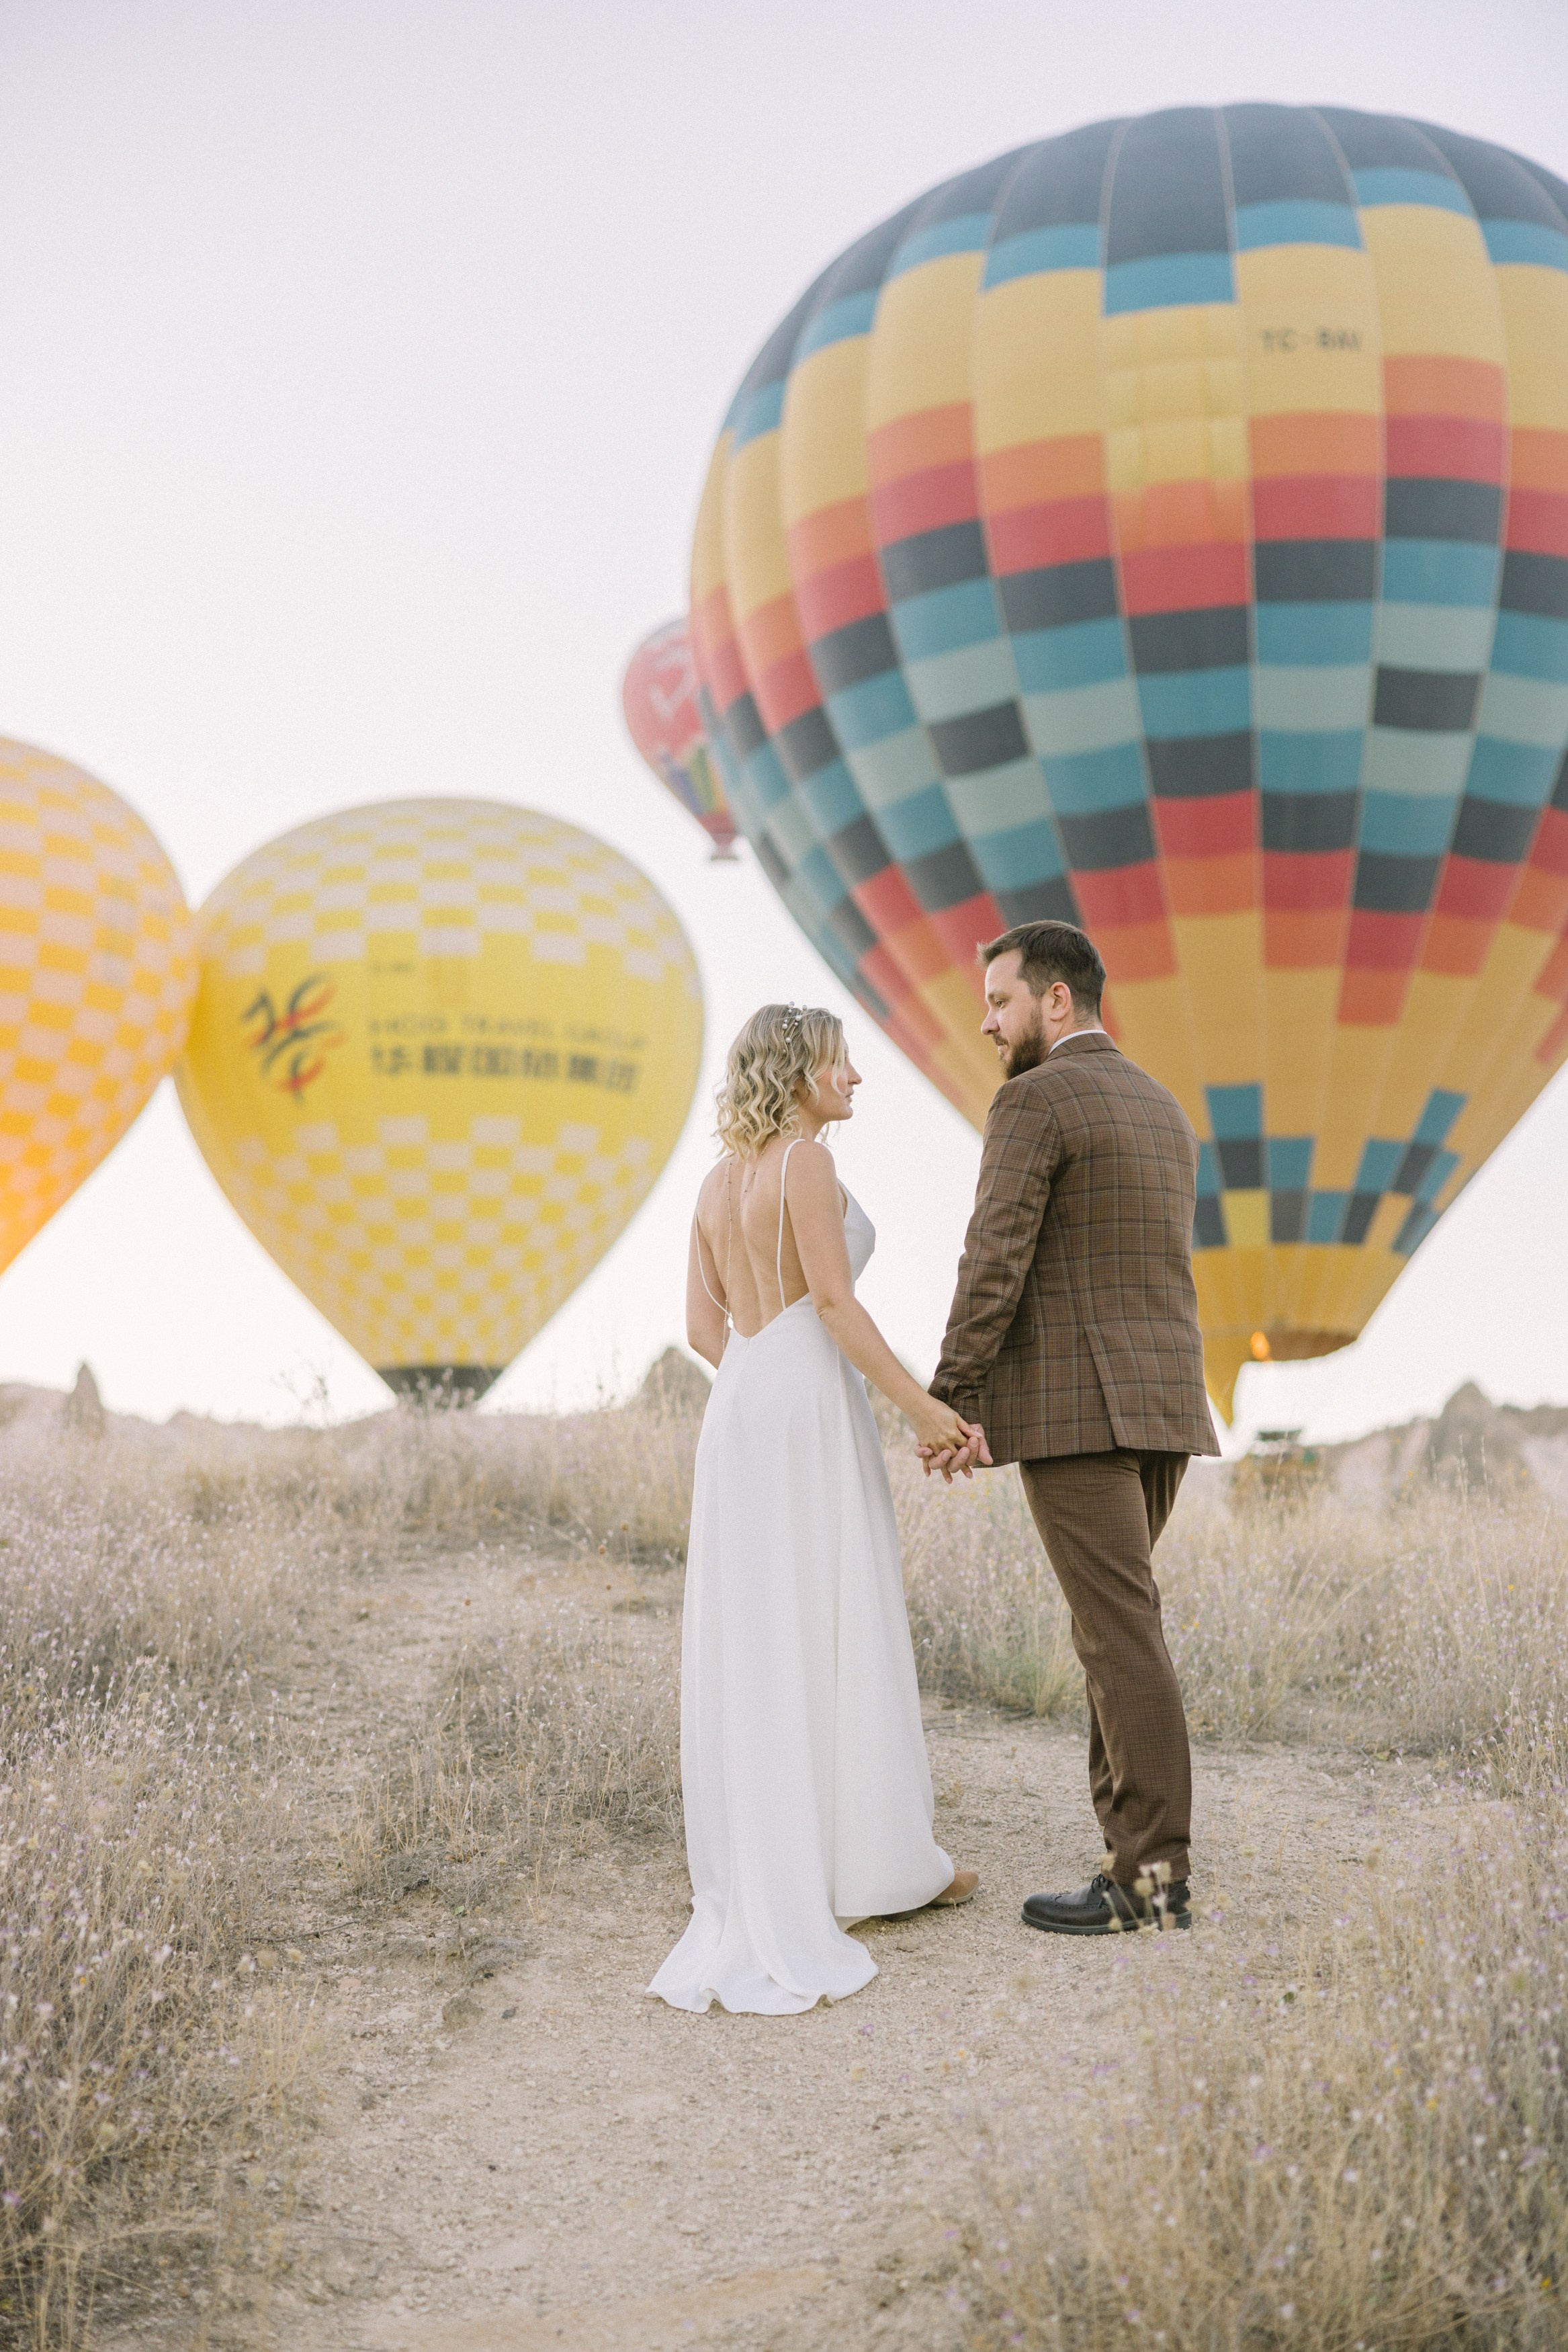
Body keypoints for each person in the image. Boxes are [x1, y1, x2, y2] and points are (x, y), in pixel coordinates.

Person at [648, 1003, 983, 2016]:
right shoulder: (805, 1165)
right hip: (804, 1404)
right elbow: (835, 1306)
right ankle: (869, 1869)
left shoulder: (713, 1184)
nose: (857, 1079)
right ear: (798, 1071)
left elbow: (704, 1329)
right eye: (843, 1062)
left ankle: (780, 1860)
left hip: (743, 1409)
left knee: (759, 1634)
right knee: (832, 1615)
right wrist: (927, 1411)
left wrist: (765, 1375)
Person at [926, 921, 1219, 1935]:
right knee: (1115, 1629)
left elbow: (992, 1256)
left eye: (999, 1001)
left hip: (1076, 1409)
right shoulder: (1159, 1105)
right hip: (1165, 1402)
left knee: (1118, 1633)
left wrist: (953, 1394)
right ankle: (1127, 1853)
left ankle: (1150, 1878)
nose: (985, 1021)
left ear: (1057, 1001)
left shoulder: (1033, 1098)